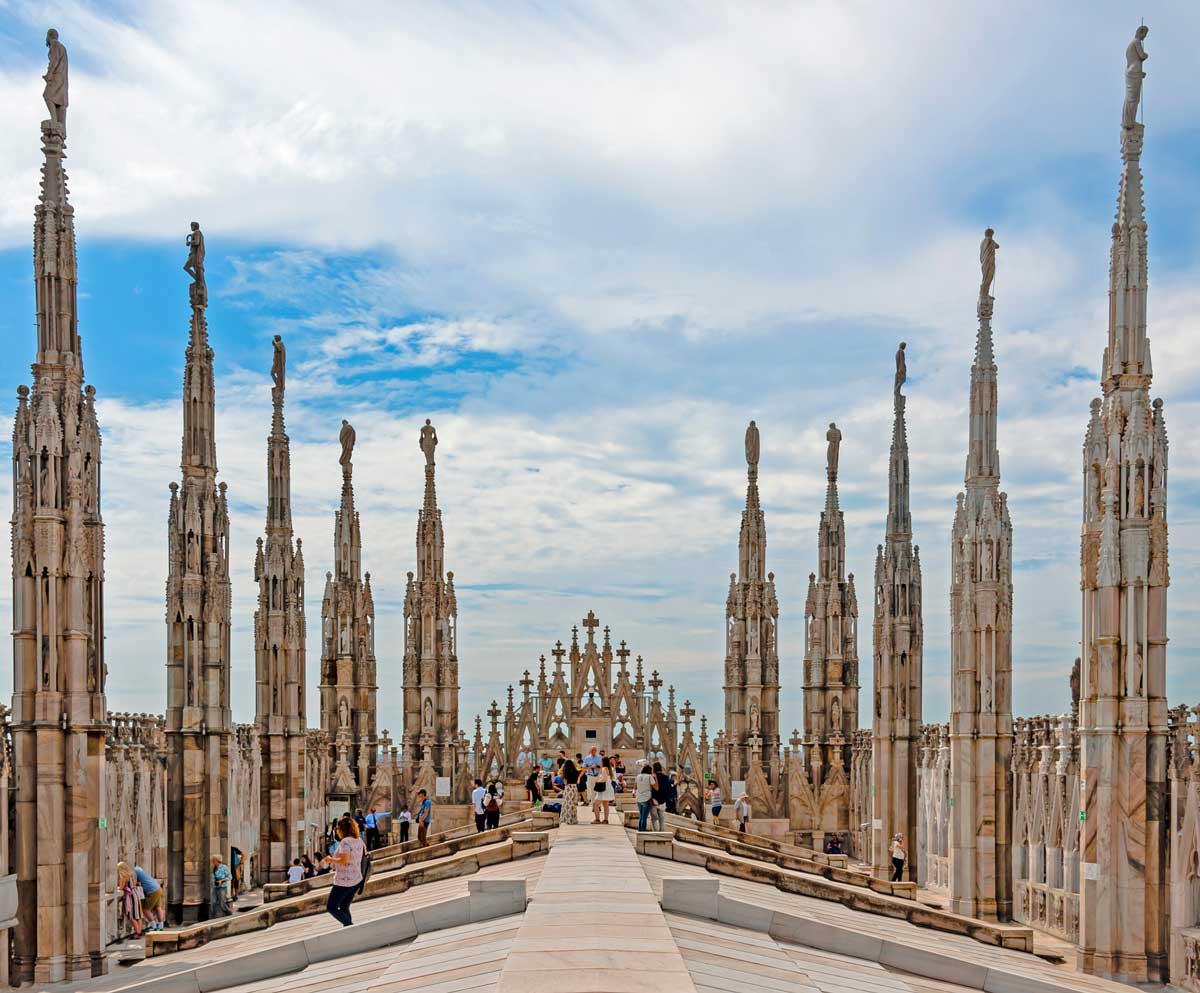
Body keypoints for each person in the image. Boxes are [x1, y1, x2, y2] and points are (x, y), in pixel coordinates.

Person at [319, 814, 366, 927]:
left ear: (342, 829)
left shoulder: (345, 842)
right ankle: (348, 928)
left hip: (344, 881)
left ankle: (350, 926)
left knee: (331, 907)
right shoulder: (359, 840)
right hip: (356, 879)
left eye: (338, 828)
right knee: (344, 907)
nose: (337, 831)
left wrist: (330, 859)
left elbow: (344, 860)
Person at [115, 862, 145, 937]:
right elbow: (134, 884)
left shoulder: (124, 876)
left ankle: (138, 933)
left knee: (131, 916)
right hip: (136, 894)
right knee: (137, 915)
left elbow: (121, 887)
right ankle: (139, 932)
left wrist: (118, 888)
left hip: (131, 896)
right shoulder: (131, 874)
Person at [559, 756, 580, 826]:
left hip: (568, 788)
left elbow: (565, 782)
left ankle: (568, 819)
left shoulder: (566, 773)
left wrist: (562, 767)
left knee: (567, 804)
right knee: (573, 804)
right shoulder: (576, 772)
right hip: (574, 788)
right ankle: (573, 819)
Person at [592, 756, 613, 824]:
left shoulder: (604, 769)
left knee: (595, 804)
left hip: (603, 789)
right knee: (605, 804)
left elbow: (604, 779)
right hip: (608, 788)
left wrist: (597, 781)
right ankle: (606, 820)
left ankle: (597, 819)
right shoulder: (609, 769)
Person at [651, 761, 670, 832]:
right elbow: (668, 790)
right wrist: (665, 799)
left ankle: (655, 832)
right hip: (662, 801)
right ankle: (662, 831)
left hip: (654, 800)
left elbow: (651, 789)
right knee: (661, 817)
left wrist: (653, 798)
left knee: (654, 818)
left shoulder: (653, 777)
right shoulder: (666, 777)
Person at [635, 763, 654, 832]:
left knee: (641, 816)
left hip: (638, 798)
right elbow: (655, 786)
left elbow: (635, 786)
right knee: (644, 817)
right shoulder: (649, 776)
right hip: (646, 798)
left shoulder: (638, 776)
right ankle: (642, 832)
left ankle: (640, 831)